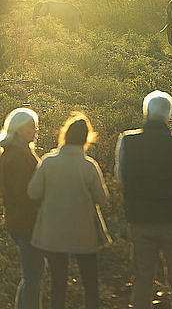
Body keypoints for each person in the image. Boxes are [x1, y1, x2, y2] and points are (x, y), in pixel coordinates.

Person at [115, 90, 172, 309]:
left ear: (146, 112)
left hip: (141, 220)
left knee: (142, 280)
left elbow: (121, 177)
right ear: (168, 115)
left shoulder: (127, 141)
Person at [27, 112, 109, 309]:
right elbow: (102, 199)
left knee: (58, 284)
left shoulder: (48, 162)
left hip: (53, 233)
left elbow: (33, 193)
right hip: (84, 234)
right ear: (86, 138)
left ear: (64, 135)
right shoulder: (89, 166)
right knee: (90, 284)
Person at [0, 107, 44, 309]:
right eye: (32, 127)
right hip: (26, 221)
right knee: (33, 276)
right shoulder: (18, 155)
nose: (36, 131)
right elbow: (25, 192)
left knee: (32, 275)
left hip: (21, 220)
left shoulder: (15, 151)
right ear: (19, 129)